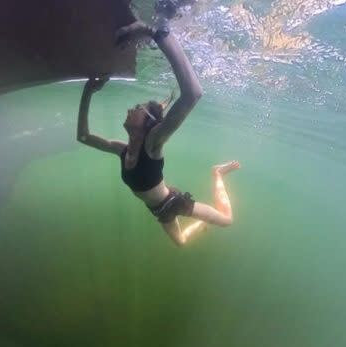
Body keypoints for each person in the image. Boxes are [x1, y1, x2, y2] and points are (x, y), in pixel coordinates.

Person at [77, 16, 240, 247]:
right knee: (182, 242)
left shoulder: (153, 143)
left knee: (227, 220)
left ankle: (217, 174)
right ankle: (201, 224)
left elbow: (193, 94)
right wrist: (88, 91)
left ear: (147, 123)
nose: (130, 109)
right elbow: (83, 137)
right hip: (158, 210)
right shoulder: (121, 149)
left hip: (174, 203)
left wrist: (154, 32)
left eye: (136, 109)